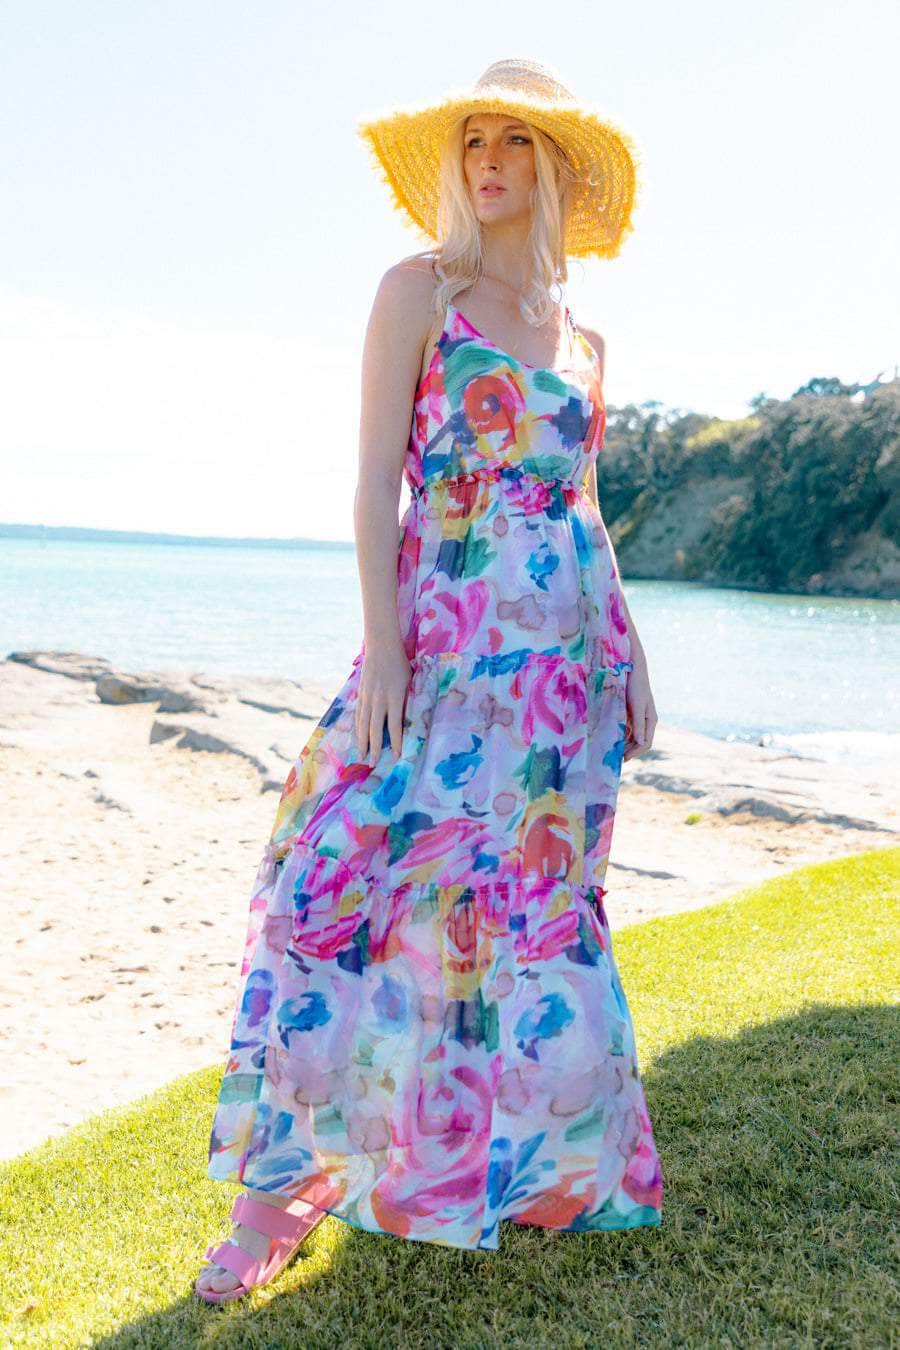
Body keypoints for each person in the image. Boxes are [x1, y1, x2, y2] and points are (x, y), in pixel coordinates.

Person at [195, 55, 663, 1305]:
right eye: (474, 141)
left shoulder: (586, 335)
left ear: (554, 166)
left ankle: (531, 1173)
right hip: (443, 634)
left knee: (531, 902)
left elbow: (586, 503)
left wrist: (634, 651)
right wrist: (386, 647)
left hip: (565, 667)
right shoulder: (418, 291)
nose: (490, 161)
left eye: (516, 141)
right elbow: (370, 488)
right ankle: (277, 1198)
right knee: (340, 878)